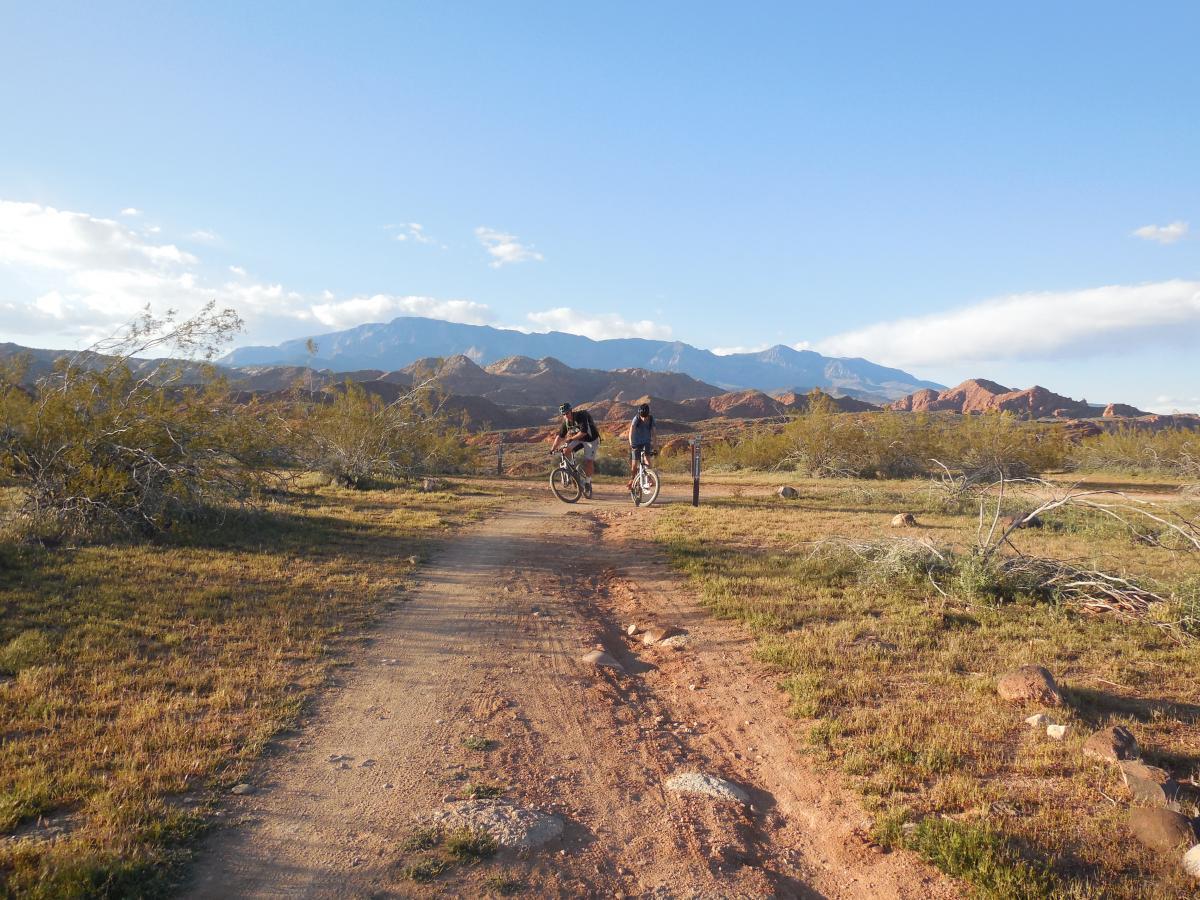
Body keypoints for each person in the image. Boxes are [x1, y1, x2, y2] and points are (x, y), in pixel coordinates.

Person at [550, 402, 600, 498]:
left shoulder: (581, 416)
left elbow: (584, 432)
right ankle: (572, 470)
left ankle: (587, 482)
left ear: (571, 411)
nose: (565, 416)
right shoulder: (566, 422)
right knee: (565, 450)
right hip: (579, 439)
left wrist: (571, 439)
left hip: (591, 439)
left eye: (567, 413)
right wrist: (552, 449)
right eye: (563, 414)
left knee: (589, 461)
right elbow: (559, 437)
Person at [626, 402, 655, 495]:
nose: (643, 418)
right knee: (634, 465)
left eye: (645, 416)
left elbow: (654, 433)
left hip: (646, 442)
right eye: (642, 416)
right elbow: (631, 431)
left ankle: (649, 478)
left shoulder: (651, 419)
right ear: (639, 414)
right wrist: (631, 444)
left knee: (647, 458)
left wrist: (655, 446)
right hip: (636, 443)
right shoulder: (636, 418)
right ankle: (632, 479)